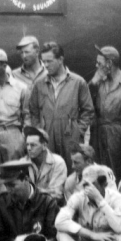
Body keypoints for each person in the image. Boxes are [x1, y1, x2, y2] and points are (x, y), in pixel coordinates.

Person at [29, 42, 94, 173]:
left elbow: (88, 110)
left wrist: (78, 130)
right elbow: (33, 111)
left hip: (70, 135)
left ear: (60, 59)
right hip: (48, 135)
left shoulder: (78, 82)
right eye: (44, 62)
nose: (46, 65)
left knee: (73, 168)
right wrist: (40, 131)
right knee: (50, 169)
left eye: (49, 61)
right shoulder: (39, 84)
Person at [89, 45, 121, 181]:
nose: (96, 65)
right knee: (100, 174)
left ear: (109, 64)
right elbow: (84, 101)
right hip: (98, 135)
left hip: (119, 135)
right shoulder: (99, 81)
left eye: (99, 63)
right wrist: (93, 83)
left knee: (119, 173)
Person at [21, 126, 68, 204]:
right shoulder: (22, 163)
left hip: (51, 206)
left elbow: (56, 194)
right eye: (27, 144)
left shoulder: (58, 162)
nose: (28, 148)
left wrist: (31, 192)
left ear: (44, 146)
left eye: (33, 145)